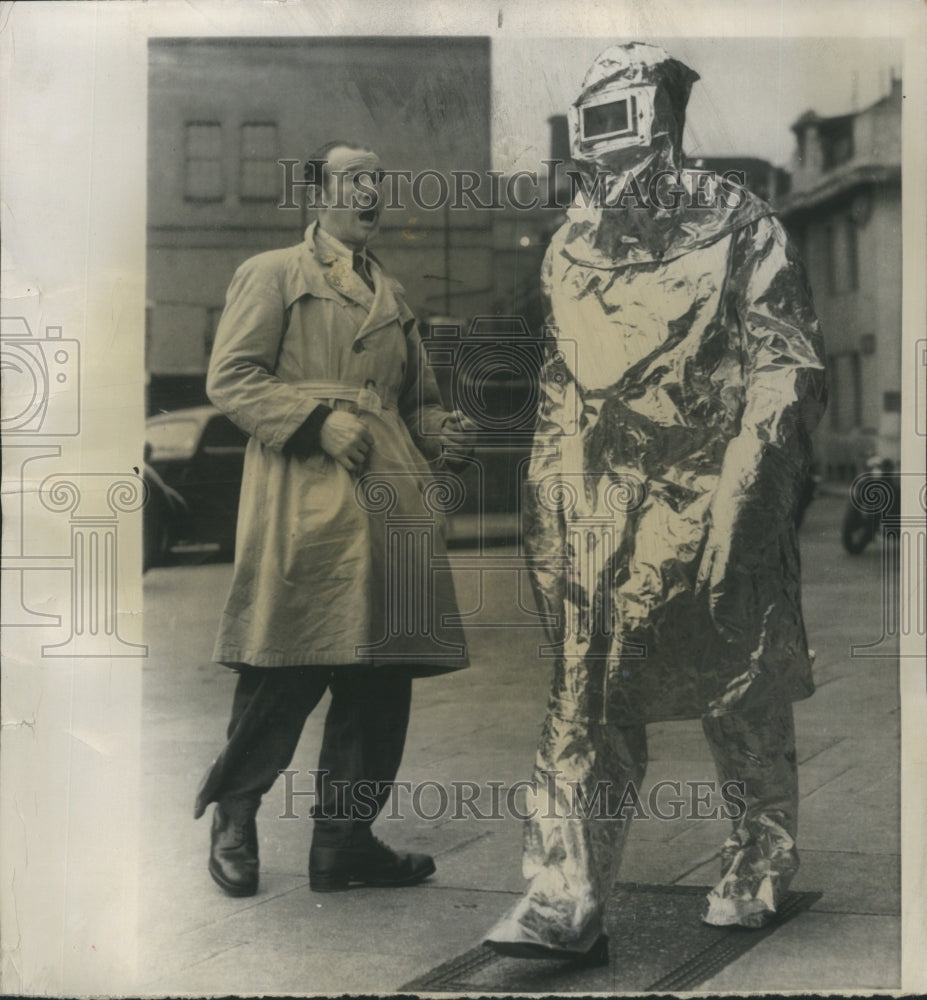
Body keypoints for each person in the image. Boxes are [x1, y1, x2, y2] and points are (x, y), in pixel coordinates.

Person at [485, 43, 827, 962]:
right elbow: (560, 390)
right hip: (601, 508)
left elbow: (783, 366)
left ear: (660, 121)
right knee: (582, 698)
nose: (611, 150)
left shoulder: (744, 226)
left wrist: (746, 501)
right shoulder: (570, 248)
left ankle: (761, 848)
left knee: (739, 684)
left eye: (621, 120)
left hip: (716, 493)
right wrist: (549, 517)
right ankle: (563, 893)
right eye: (593, 124)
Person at [193, 140, 476, 897]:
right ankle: (235, 816)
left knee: (381, 677)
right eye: (357, 179)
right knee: (283, 658)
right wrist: (315, 421)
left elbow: (416, 399)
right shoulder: (273, 273)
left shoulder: (392, 292)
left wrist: (440, 430)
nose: (372, 191)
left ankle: (344, 842)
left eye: (381, 180)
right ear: (317, 193)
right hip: (304, 491)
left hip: (391, 500)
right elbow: (231, 378)